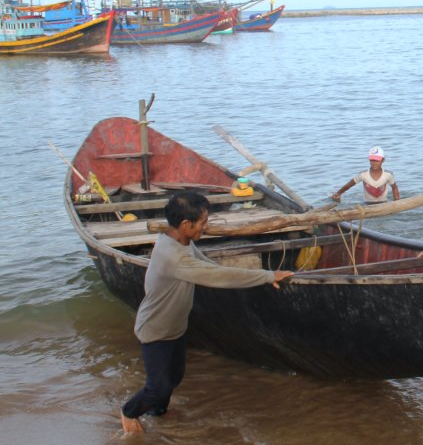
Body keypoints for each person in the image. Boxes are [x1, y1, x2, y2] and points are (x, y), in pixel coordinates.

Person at [120, 192, 293, 434]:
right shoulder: (173, 257)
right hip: (155, 330)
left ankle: (157, 413)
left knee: (174, 378)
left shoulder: (180, 240)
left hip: (175, 327)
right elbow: (217, 277)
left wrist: (257, 277)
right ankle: (128, 412)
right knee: (157, 387)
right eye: (203, 223)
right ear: (185, 224)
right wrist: (266, 276)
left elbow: (210, 267)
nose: (206, 227)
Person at [331, 146, 400, 203]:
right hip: (368, 204)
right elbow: (349, 185)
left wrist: (396, 200)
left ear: (383, 160)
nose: (374, 163)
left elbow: (394, 187)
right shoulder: (363, 175)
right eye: (372, 160)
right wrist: (338, 193)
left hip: (384, 203)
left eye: (377, 160)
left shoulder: (388, 174)